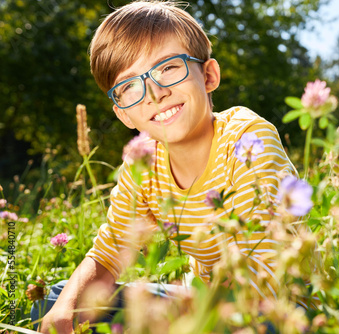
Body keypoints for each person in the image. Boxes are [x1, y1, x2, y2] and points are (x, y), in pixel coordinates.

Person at [35, 1, 303, 332]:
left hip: (279, 306)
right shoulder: (144, 164)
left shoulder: (247, 139)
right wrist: (66, 311)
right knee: (60, 299)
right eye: (130, 85)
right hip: (199, 304)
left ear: (208, 75)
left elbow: (265, 268)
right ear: (122, 113)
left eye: (168, 67)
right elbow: (109, 253)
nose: (155, 93)